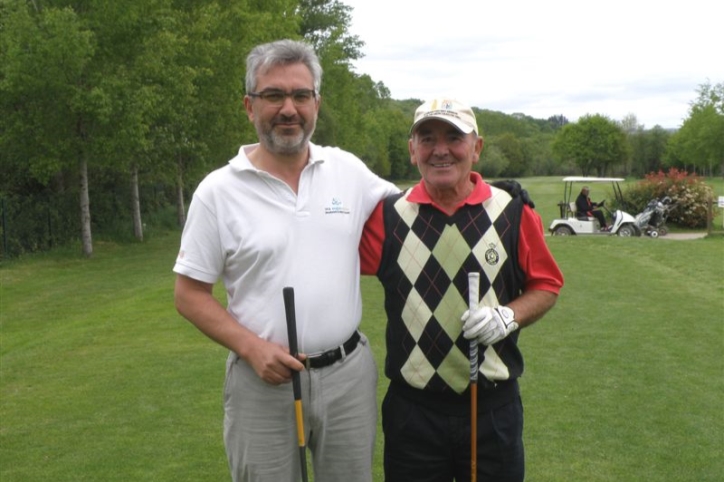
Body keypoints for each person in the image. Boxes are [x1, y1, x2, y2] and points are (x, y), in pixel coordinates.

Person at [172, 39, 399, 482]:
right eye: (273, 95)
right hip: (262, 383)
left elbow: (416, 211)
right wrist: (251, 348)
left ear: (316, 102)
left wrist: (487, 192)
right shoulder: (217, 191)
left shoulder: (347, 170)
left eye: (300, 95)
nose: (288, 109)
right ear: (249, 105)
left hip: (348, 378)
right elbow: (188, 294)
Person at [360, 97, 564, 482]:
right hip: (413, 413)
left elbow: (547, 284)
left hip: (491, 409)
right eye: (427, 138)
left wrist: (509, 316)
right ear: (412, 150)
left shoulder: (513, 212)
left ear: (477, 147)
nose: (440, 150)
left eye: (454, 137)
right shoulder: (388, 217)